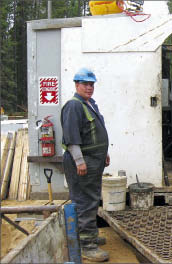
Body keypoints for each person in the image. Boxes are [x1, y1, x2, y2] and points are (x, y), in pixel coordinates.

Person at [61, 68, 110, 262]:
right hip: (83, 162)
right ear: (76, 85)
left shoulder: (89, 104)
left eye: (91, 84)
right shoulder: (74, 106)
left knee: (91, 198)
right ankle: (86, 245)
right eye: (85, 84)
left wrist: (104, 153)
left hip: (94, 161)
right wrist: (79, 161)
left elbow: (93, 132)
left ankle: (90, 235)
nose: (89, 87)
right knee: (84, 201)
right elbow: (72, 137)